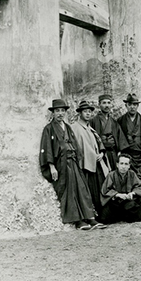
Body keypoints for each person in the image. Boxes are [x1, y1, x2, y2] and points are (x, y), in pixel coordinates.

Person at [39, 99, 106, 230]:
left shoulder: (68, 127)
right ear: (53, 113)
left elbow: (75, 145)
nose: (60, 113)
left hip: (73, 162)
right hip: (61, 164)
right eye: (57, 111)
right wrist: (51, 166)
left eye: (62, 111)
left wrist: (79, 160)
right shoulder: (49, 129)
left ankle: (90, 217)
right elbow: (47, 148)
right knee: (70, 191)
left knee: (82, 188)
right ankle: (77, 220)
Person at [70, 100, 110, 216]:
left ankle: (102, 215)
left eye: (89, 112)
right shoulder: (75, 128)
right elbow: (78, 147)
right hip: (86, 164)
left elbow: (98, 142)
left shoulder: (90, 128)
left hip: (96, 162)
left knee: (99, 189)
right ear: (80, 113)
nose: (88, 114)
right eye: (85, 112)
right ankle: (91, 215)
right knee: (89, 190)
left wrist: (102, 153)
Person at [100, 154, 141, 223]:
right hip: (116, 201)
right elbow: (105, 190)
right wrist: (117, 195)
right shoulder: (111, 175)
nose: (123, 167)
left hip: (129, 200)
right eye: (121, 163)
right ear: (117, 165)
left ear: (129, 166)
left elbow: (139, 186)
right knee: (106, 215)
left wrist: (132, 193)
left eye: (126, 164)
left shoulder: (132, 174)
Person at [90, 94, 129, 170]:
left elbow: (119, 137)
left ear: (111, 104)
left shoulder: (114, 122)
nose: (107, 105)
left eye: (108, 103)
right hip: (100, 153)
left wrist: (119, 151)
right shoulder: (93, 121)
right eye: (104, 103)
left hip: (113, 152)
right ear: (99, 105)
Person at [117, 93, 141, 170]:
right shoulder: (121, 120)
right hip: (127, 153)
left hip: (140, 153)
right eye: (130, 104)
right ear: (126, 106)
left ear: (137, 106)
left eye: (135, 104)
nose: (132, 107)